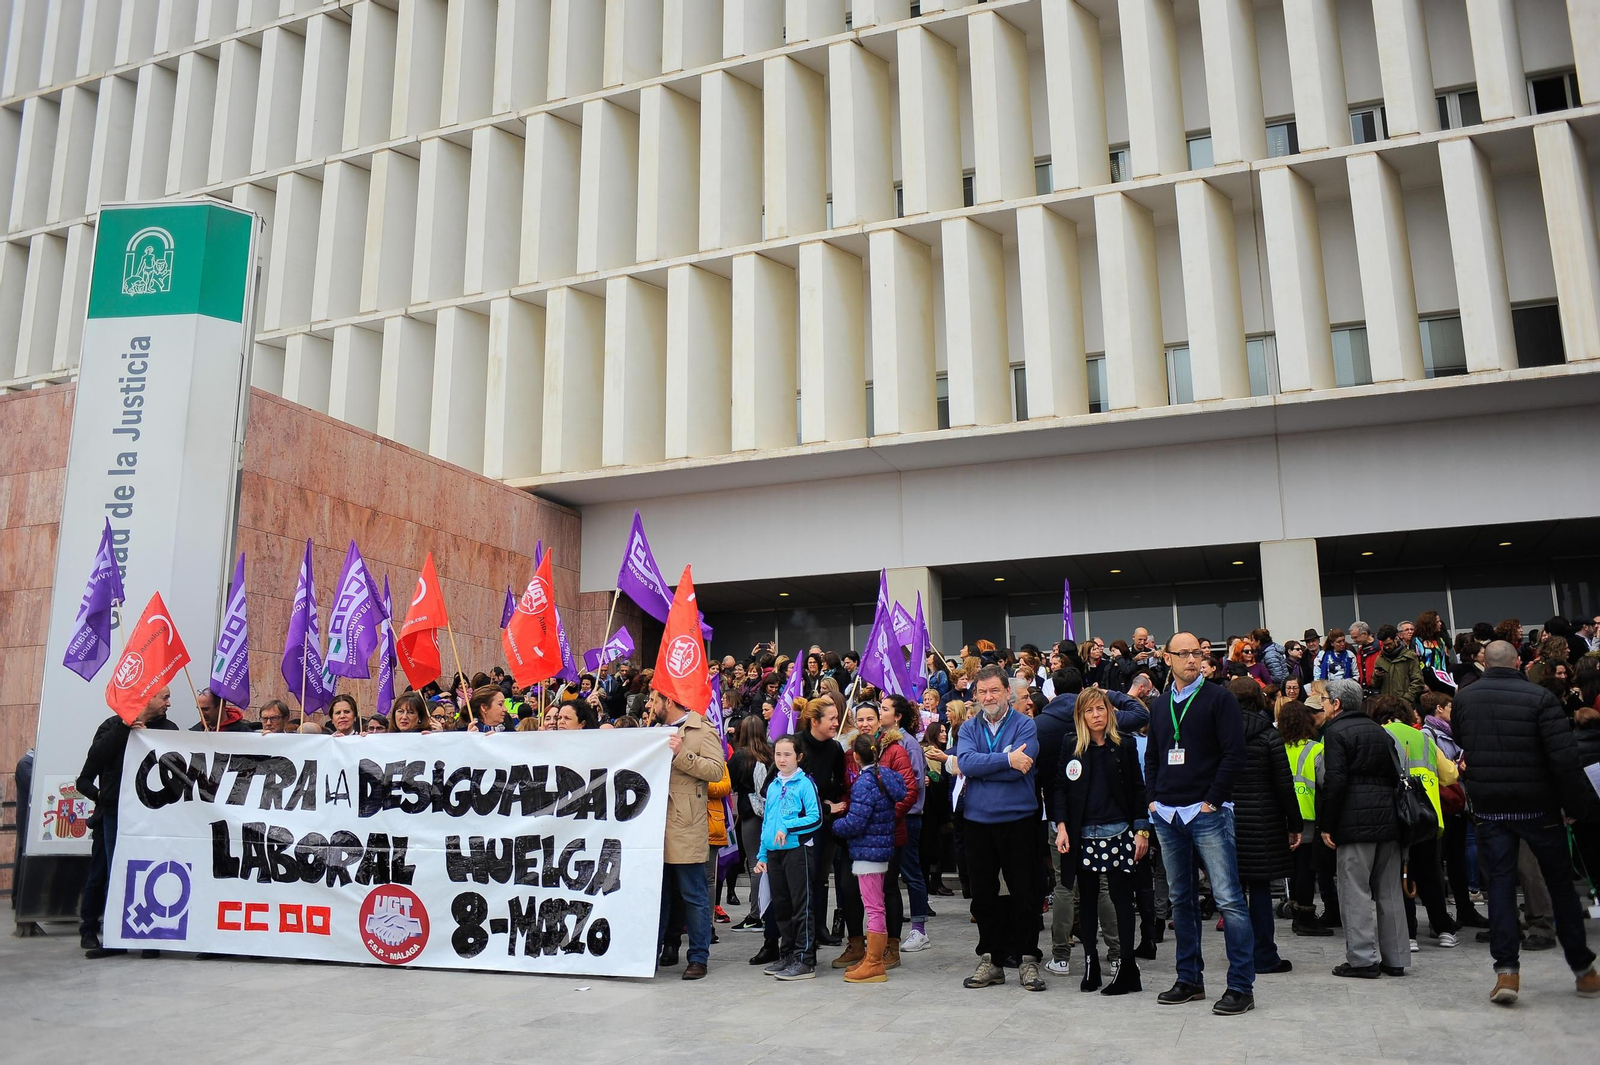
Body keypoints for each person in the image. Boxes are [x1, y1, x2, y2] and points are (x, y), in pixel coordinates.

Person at [1452, 641, 1600, 1004]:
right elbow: (1563, 758)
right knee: (1560, 885)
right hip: (1539, 807)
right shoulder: (1539, 698)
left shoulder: (1465, 699)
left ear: (1485, 663)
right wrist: (1579, 806)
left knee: (1500, 885)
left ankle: (1507, 972)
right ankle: (1583, 970)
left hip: (1489, 807)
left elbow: (1460, 739)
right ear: (1518, 661)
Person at [1142, 633, 1255, 1015]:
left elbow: (1234, 754)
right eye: (1183, 653)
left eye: (1197, 653)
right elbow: (1154, 757)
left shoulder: (1219, 698)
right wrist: (1152, 801)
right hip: (1169, 815)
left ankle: (1241, 986)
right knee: (1181, 901)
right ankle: (1189, 979)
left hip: (1207, 813)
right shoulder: (1159, 707)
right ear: (1168, 658)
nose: (1192, 659)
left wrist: (1212, 800)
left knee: (1228, 900)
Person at [949, 665, 1044, 992]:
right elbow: (966, 763)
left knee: (1025, 893)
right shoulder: (968, 729)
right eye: (982, 692)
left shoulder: (1026, 726)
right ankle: (990, 958)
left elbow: (1023, 766)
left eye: (994, 691)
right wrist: (1005, 760)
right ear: (974, 696)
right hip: (978, 822)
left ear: (1008, 693)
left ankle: (1028, 958)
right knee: (984, 895)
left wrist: (983, 765)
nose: (988, 697)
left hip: (1018, 820)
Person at [1049, 689, 1149, 995]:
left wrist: (1141, 829)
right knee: (1087, 901)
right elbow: (1060, 788)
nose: (1096, 715)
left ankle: (1127, 967)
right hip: (1083, 835)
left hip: (1118, 832)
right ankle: (1090, 961)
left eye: (1101, 709)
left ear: (1110, 713)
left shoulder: (1125, 745)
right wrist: (1062, 826)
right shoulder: (1070, 745)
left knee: (1121, 900)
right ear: (1080, 715)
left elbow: (1137, 788)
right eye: (1090, 710)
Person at [76, 687, 180, 956]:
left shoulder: (169, 729)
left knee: (149, 871)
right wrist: (125, 727)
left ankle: (148, 940)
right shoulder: (112, 726)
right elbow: (94, 763)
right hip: (113, 814)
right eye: (164, 697)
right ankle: (104, 933)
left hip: (152, 814)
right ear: (148, 698)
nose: (169, 702)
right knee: (113, 872)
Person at [1318, 679, 1408, 979]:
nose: (1324, 704)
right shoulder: (1381, 732)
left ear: (1338, 704)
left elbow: (1335, 781)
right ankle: (1396, 958)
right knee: (1390, 891)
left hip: (1353, 821)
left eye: (1326, 699)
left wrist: (1327, 824)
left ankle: (1362, 959)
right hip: (1388, 819)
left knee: (1355, 891)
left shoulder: (1335, 732)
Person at [1371, 694, 1460, 951]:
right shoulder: (1424, 737)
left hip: (1394, 816)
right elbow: (1450, 775)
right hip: (1426, 818)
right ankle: (1443, 929)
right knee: (1430, 875)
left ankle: (1408, 934)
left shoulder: (1379, 735)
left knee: (1400, 874)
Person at [650, 687, 727, 980]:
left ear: (668, 702)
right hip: (656, 822)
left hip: (685, 822)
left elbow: (716, 770)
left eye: (654, 700)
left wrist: (683, 754)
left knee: (693, 893)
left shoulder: (700, 729)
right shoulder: (654, 730)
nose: (650, 705)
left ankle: (698, 957)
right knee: (659, 895)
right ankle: (653, 952)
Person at [1228, 678, 1302, 976]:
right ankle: (1265, 955)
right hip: (1263, 821)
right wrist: (1294, 823)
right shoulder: (1269, 735)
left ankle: (1239, 954)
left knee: (1231, 893)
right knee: (1259, 890)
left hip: (1226, 821)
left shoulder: (1218, 735)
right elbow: (1284, 785)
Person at [830, 734, 907, 983]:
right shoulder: (885, 776)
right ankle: (872, 959)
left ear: (855, 756)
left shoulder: (864, 783)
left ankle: (874, 962)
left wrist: (835, 824)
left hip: (867, 850)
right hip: (881, 846)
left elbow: (856, 822)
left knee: (873, 907)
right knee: (877, 904)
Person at [753, 735, 823, 981]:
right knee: (781, 906)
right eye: (778, 754)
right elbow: (767, 822)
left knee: (800, 906)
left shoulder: (805, 784)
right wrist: (762, 853)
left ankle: (805, 959)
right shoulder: (773, 785)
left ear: (799, 757)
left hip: (798, 851)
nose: (782, 759)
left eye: (787, 755)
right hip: (774, 853)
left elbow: (816, 818)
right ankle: (788, 954)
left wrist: (790, 826)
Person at [1278, 700, 1332, 937]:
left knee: (1292, 868)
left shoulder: (1277, 746)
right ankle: (1305, 917)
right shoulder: (1315, 749)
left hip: (1281, 815)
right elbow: (1326, 782)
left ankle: (1295, 909)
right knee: (1306, 869)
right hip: (1307, 815)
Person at [884, 694, 931, 953]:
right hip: (889, 817)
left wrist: (899, 808)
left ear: (898, 716)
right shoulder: (884, 741)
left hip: (908, 815)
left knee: (911, 872)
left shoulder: (908, 743)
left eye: (885, 708)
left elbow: (911, 783)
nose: (881, 713)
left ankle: (919, 929)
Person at [728, 717, 773, 932]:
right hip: (771, 814)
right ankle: (769, 910)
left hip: (750, 814)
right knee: (768, 862)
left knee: (755, 862)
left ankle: (756, 914)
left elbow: (729, 781)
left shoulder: (740, 756)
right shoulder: (771, 753)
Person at [1372, 625, 1425, 709]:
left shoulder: (1410, 657)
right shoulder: (1380, 659)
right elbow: (1374, 684)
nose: (1386, 647)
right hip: (1385, 705)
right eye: (1384, 645)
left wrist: (1406, 699)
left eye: (1389, 644)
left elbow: (1418, 681)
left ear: (1396, 639)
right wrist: (1377, 676)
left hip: (1405, 705)